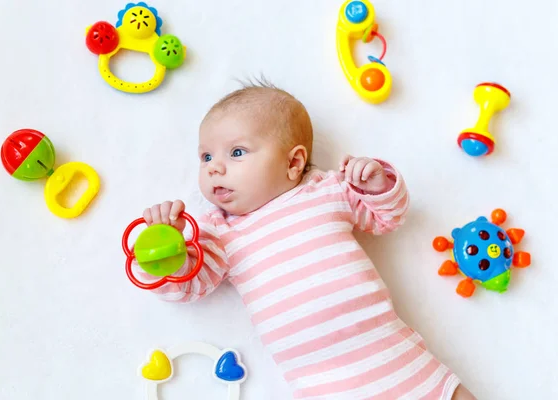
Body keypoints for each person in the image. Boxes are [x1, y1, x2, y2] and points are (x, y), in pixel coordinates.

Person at [141, 82, 476, 399]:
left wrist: (376, 184)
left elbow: (387, 217)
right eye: (206, 157)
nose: (215, 168)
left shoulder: (325, 191)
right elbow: (187, 286)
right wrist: (166, 248)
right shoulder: (219, 232)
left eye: (237, 152)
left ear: (294, 162)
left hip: (390, 353)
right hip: (322, 385)